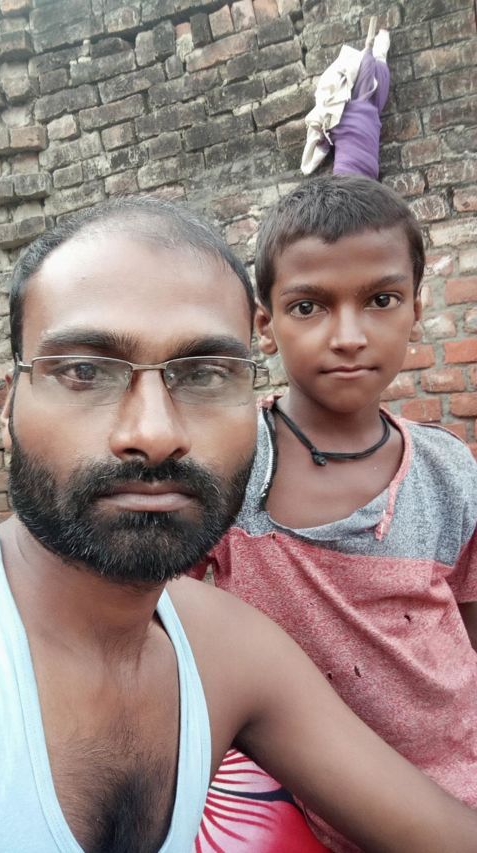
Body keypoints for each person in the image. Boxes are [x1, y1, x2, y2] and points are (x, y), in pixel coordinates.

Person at [0, 197, 476, 853]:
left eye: (204, 374)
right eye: (84, 371)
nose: (154, 433)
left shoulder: (232, 653)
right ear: (8, 411)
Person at [194, 176, 477, 851]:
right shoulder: (230, 463)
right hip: (300, 808)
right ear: (265, 325)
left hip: (458, 783)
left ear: (416, 309)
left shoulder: (449, 471)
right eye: (309, 306)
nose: (348, 336)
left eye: (380, 300)